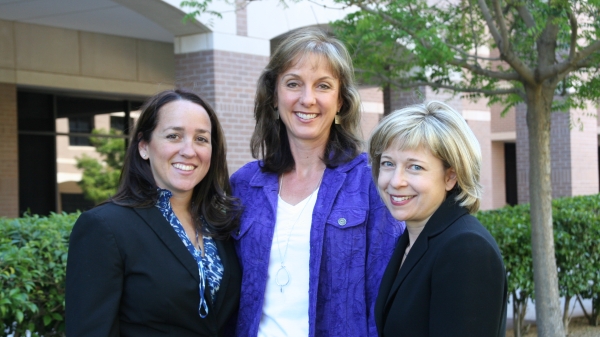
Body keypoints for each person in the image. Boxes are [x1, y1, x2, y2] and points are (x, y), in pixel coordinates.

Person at [229, 28, 404, 337]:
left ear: (340, 101)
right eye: (293, 83)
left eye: (323, 86)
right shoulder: (244, 185)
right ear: (274, 95)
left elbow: (386, 300)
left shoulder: (370, 184)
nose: (307, 99)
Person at [66, 89, 242, 337]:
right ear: (144, 147)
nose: (189, 151)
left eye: (201, 139)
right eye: (174, 136)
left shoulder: (222, 224)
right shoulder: (104, 227)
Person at [369, 101, 508, 336]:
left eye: (415, 167)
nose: (395, 181)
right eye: (388, 164)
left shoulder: (466, 248)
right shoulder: (411, 239)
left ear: (450, 177)